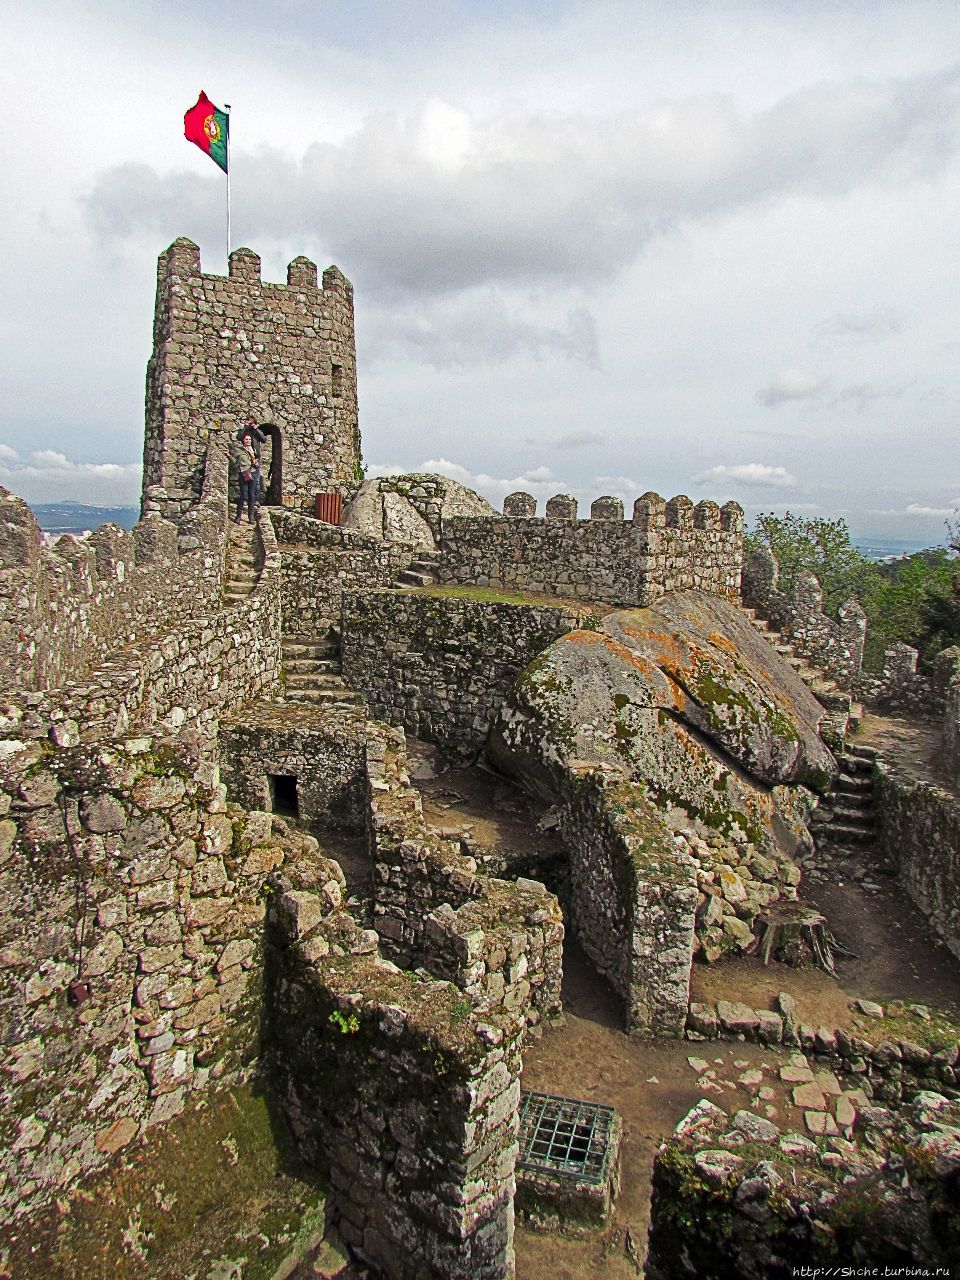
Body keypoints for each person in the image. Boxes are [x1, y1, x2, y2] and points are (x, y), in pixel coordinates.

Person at [237, 420, 268, 509]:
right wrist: (245, 427)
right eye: (248, 421)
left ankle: (256, 500)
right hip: (246, 458)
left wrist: (256, 429)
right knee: (245, 479)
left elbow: (264, 439)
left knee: (256, 480)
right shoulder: (244, 431)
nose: (250, 424)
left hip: (255, 458)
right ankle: (246, 500)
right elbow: (239, 437)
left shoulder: (257, 431)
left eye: (252, 422)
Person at [231, 431, 258, 523]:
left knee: (251, 495)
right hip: (243, 473)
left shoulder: (254, 449)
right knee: (243, 495)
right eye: (246, 439)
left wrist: (255, 463)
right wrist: (227, 455)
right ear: (243, 440)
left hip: (253, 473)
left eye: (249, 439)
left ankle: (250, 517)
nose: (248, 441)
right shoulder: (239, 450)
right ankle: (238, 516)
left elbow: (257, 461)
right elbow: (235, 462)